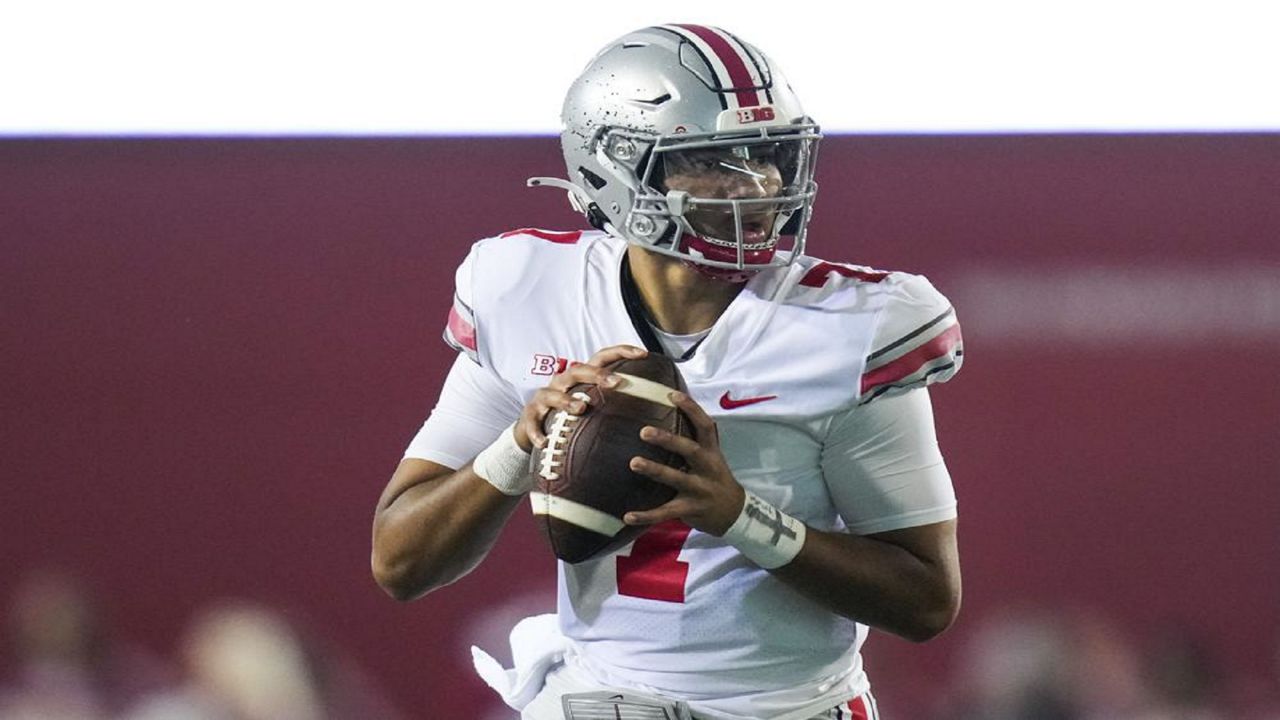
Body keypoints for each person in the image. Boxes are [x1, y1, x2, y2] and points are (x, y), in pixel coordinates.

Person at [372, 24, 964, 720]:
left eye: (766, 154)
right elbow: (400, 562)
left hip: (790, 710)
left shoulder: (852, 325)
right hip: (597, 698)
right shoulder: (526, 289)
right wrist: (518, 448)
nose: (759, 182)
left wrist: (740, 517)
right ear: (616, 171)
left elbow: (926, 599)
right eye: (712, 160)